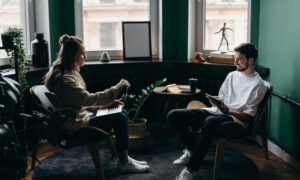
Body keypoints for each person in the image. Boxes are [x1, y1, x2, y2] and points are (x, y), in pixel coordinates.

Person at [44, 34, 150, 173]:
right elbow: (88, 99)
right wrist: (117, 88)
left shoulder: (67, 73)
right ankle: (124, 162)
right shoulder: (65, 80)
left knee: (121, 112)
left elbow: (82, 103)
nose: (85, 58)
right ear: (71, 55)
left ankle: (125, 158)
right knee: (119, 117)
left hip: (81, 118)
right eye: (82, 54)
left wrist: (108, 105)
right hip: (76, 126)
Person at [168, 43, 267, 180]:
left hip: (235, 120)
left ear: (251, 60)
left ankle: (189, 170)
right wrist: (217, 102)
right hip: (217, 111)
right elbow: (223, 97)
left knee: (210, 121)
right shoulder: (232, 75)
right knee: (173, 115)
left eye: (239, 59)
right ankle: (192, 149)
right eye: (234, 57)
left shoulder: (258, 84)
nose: (235, 62)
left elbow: (247, 117)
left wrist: (227, 110)